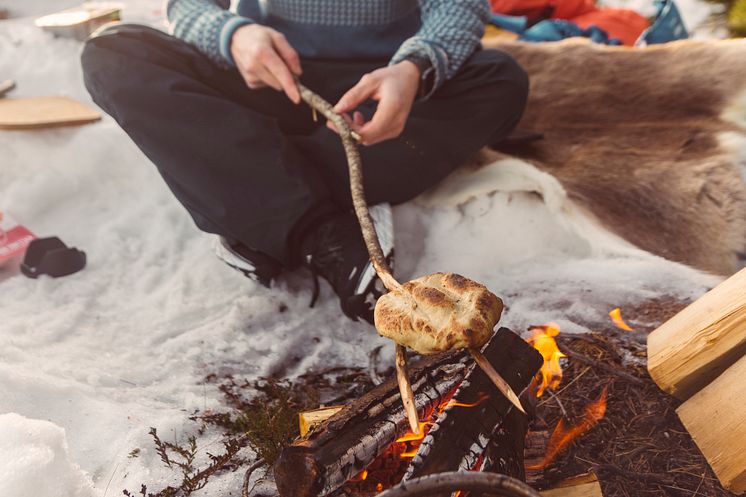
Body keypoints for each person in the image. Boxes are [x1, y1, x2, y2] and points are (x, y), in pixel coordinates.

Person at [81, 0, 529, 324]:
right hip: (262, 77)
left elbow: (460, 5)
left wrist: (414, 67)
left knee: (502, 80)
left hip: (379, 85)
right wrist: (232, 34)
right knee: (112, 52)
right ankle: (320, 232)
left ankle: (255, 199)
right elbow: (188, 5)